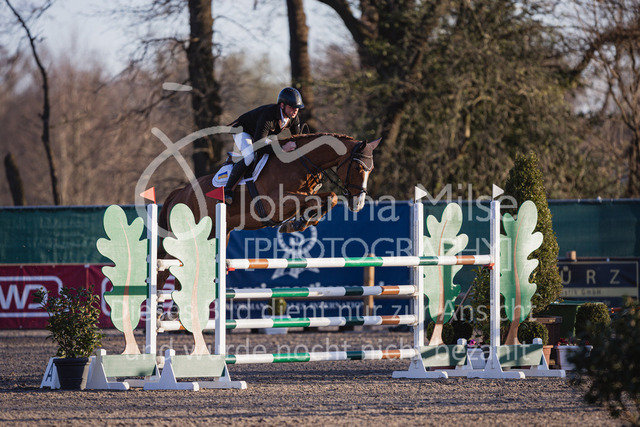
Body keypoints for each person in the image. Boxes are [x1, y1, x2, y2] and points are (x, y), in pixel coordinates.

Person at [224, 87, 304, 204]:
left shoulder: (293, 118)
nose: (295, 110)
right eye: (292, 107)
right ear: (282, 105)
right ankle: (228, 190)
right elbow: (258, 146)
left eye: (297, 108)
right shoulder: (268, 117)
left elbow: (298, 140)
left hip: (260, 134)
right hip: (243, 130)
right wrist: (282, 149)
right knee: (250, 156)